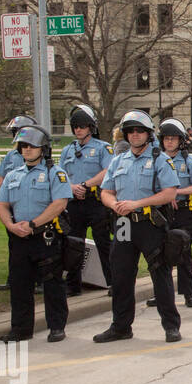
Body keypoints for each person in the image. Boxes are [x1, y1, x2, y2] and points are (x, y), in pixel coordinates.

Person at [93, 110, 181, 344]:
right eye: (130, 131)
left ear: (148, 134)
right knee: (121, 275)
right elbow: (106, 191)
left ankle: (171, 326)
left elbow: (170, 192)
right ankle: (121, 327)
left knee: (160, 275)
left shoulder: (160, 159)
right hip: (122, 224)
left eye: (139, 130)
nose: (134, 135)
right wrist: (114, 205)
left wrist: (138, 203)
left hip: (150, 222)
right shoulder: (118, 161)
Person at [0, 125, 71, 342]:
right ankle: (20, 329)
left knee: (52, 282)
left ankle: (56, 326)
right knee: (19, 284)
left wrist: (34, 224)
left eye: (32, 146)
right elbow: (1, 204)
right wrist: (10, 225)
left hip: (45, 236)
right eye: (23, 146)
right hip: (18, 236)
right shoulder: (12, 175)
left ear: (43, 148)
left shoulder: (55, 173)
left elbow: (59, 203)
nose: (27, 150)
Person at [146, 118, 192, 309]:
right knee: (159, 253)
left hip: (183, 211)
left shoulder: (189, 161)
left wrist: (175, 192)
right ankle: (160, 293)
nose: (169, 142)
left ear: (181, 140)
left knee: (184, 252)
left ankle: (189, 293)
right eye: (166, 139)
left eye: (173, 139)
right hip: (162, 211)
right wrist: (164, 196)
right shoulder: (154, 161)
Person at [60, 104, 115, 296]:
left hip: (96, 201)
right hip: (74, 202)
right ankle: (73, 285)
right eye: (75, 126)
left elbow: (108, 171)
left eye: (82, 126)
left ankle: (113, 282)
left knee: (104, 243)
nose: (78, 130)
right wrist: (72, 187)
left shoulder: (103, 148)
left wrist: (86, 185)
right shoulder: (67, 150)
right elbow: (60, 175)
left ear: (90, 127)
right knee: (74, 243)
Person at [0, 114, 38, 291]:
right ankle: (13, 279)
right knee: (14, 245)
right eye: (15, 132)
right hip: (13, 207)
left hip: (32, 209)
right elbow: (1, 179)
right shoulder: (11, 156)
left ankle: (39, 281)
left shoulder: (37, 154)